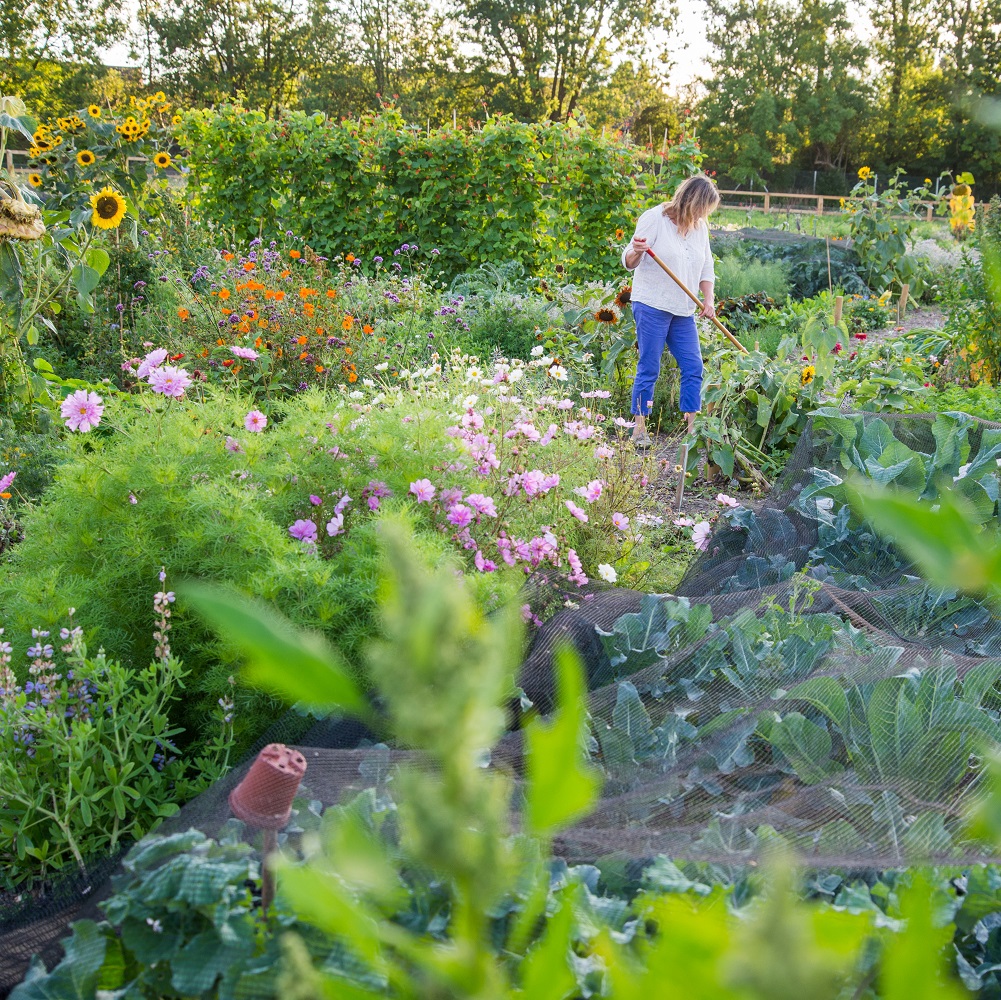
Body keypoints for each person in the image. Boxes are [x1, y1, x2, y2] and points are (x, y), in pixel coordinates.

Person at [621, 174, 720, 447]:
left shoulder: (700, 227)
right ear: (690, 201)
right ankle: (639, 429)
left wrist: (708, 299)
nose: (702, 215)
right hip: (652, 304)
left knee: (693, 365)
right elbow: (629, 259)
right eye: (701, 208)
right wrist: (638, 251)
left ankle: (692, 431)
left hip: (683, 309)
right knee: (649, 366)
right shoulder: (655, 219)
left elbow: (706, 266)